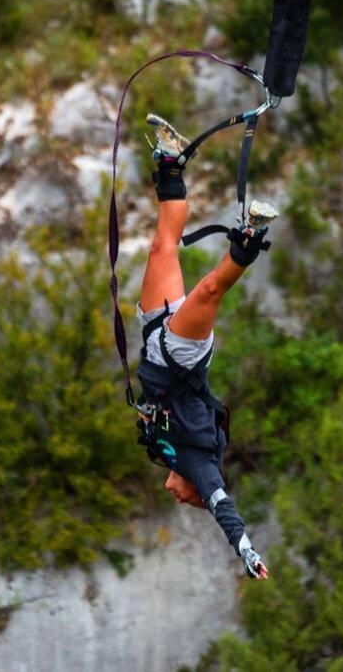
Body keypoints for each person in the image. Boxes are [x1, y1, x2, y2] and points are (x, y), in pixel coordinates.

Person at [135, 113, 270, 580]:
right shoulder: (200, 463)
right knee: (211, 289)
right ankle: (250, 237)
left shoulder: (162, 454)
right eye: (189, 498)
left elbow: (151, 416)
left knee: (161, 249)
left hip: (154, 344)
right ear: (198, 486)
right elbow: (223, 509)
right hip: (181, 357)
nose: (180, 498)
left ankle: (171, 162)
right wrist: (248, 552)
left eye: (185, 500)